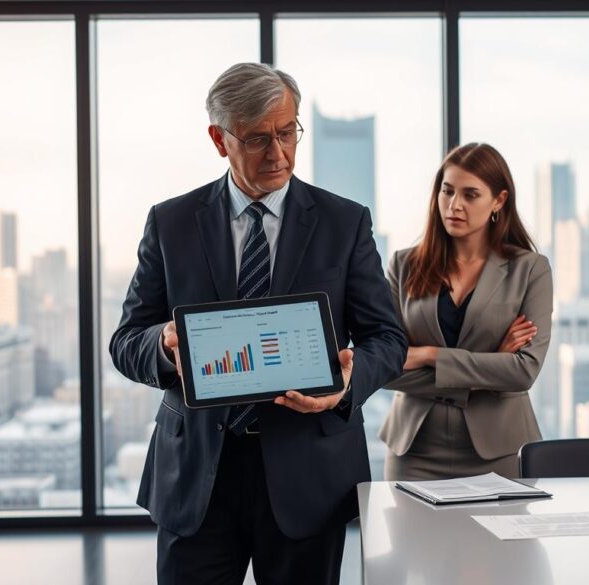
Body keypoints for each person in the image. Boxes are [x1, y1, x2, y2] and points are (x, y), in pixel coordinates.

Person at [109, 62, 407, 585]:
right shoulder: (171, 223)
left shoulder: (344, 222)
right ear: (219, 140)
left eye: (287, 133)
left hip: (307, 473)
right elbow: (126, 341)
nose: (278, 153)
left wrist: (346, 382)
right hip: (198, 475)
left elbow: (388, 338)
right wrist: (164, 345)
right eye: (257, 139)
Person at [378, 142, 553, 481]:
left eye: (470, 195)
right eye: (447, 191)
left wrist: (429, 355)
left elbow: (523, 372)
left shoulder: (530, 270)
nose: (454, 205)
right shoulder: (403, 265)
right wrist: (492, 365)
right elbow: (385, 368)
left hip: (500, 450)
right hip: (414, 451)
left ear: (499, 200)